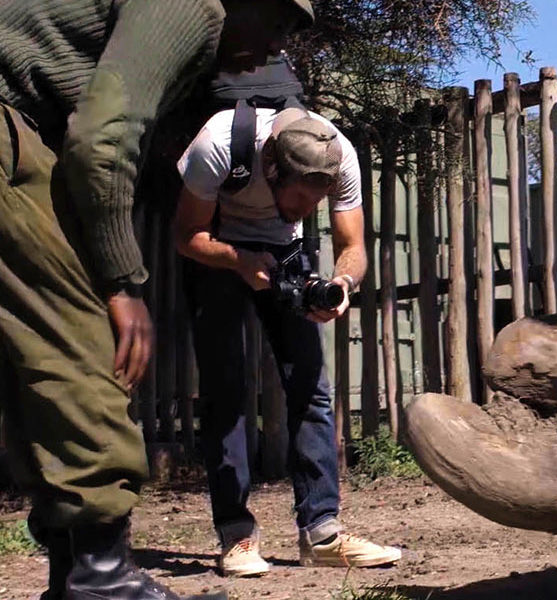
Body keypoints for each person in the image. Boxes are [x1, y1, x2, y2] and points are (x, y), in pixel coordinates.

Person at [0, 1, 314, 598]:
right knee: (86, 342)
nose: (276, 46)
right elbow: (101, 141)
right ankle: (100, 577)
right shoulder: (195, 6)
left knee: (34, 350)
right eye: (280, 21)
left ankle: (76, 573)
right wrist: (122, 282)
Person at [174, 106, 402, 577]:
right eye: (298, 199)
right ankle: (236, 536)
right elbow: (185, 235)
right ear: (271, 167)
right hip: (217, 249)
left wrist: (342, 284)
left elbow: (352, 246)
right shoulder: (217, 143)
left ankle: (322, 533)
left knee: (311, 389)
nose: (306, 211)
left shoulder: (338, 156)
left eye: (316, 202)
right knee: (226, 391)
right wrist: (239, 261)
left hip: (285, 255)